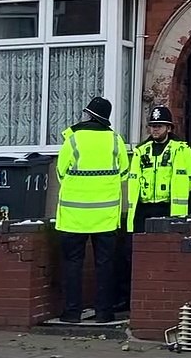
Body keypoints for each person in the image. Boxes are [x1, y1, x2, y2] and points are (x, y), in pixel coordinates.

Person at [54, 97, 128, 324]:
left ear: (89, 115)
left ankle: (72, 313)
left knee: (72, 264)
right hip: (105, 216)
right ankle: (104, 313)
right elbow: (124, 173)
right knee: (105, 265)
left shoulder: (73, 139)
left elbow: (61, 172)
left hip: (73, 216)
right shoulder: (115, 140)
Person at [126, 105, 191, 232]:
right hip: (143, 208)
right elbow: (134, 178)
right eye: (152, 126)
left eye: (159, 126)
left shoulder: (181, 149)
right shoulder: (141, 150)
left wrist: (179, 189)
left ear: (169, 128)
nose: (155, 129)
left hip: (168, 207)